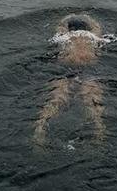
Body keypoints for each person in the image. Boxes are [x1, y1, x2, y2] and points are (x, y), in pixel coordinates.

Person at [33, 13, 112, 147]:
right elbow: (96, 25)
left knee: (55, 100)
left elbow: (60, 25)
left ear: (69, 29)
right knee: (92, 102)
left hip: (65, 70)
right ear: (87, 28)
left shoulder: (65, 37)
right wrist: (85, 15)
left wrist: (69, 16)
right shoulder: (93, 36)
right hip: (89, 71)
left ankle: (39, 128)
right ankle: (99, 130)